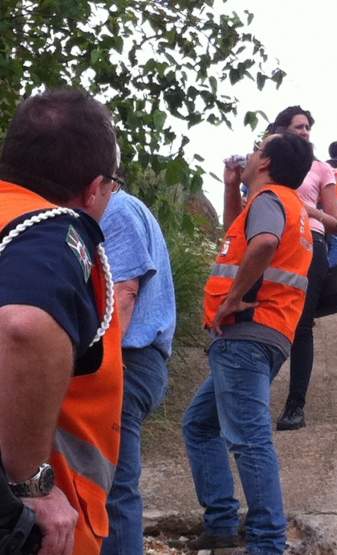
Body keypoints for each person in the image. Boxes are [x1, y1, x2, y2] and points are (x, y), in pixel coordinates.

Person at [0, 89, 124, 554]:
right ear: (94, 188)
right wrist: (32, 483)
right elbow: (24, 325)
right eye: (112, 186)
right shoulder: (53, 231)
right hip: (36, 530)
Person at [181, 130, 313, 554]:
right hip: (265, 334)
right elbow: (235, 239)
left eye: (258, 149)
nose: (252, 153)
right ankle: (221, 523)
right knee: (200, 424)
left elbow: (265, 242)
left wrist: (233, 298)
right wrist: (230, 187)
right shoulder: (282, 204)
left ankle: (267, 542)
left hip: (245, 334)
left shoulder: (269, 201)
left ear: (267, 162)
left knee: (250, 438)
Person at [100, 190, 176, 554]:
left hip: (127, 359)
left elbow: (124, 294)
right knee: (110, 488)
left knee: (113, 492)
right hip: (137, 360)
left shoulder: (114, 209)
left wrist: (97, 367)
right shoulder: (124, 207)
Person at [272, 107, 337, 432]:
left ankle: (295, 405)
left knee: (301, 326)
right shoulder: (267, 163)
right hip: (271, 242)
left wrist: (306, 210)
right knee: (266, 320)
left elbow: (335, 223)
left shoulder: (321, 169)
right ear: (281, 130)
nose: (304, 132)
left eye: (307, 127)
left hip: (309, 245)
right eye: (297, 127)